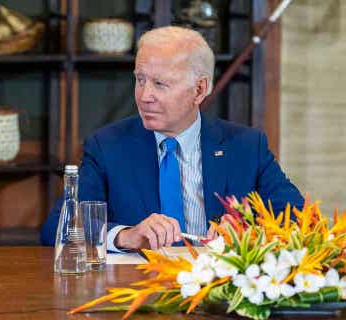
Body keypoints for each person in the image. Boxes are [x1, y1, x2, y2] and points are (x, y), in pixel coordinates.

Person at [40, 26, 303, 251]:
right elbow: (57, 228)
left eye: (160, 84)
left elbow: (299, 219)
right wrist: (125, 236)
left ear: (199, 89)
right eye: (140, 80)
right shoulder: (107, 146)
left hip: (218, 289)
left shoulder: (246, 146)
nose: (144, 96)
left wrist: (249, 230)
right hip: (137, 290)